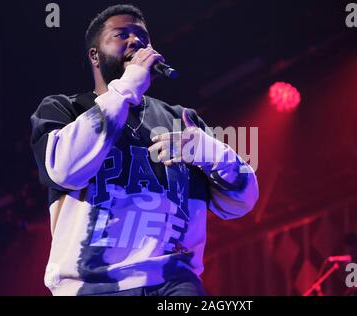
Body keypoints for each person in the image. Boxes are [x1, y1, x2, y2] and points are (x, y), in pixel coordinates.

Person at [30, 4, 259, 296]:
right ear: (95, 55)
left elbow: (242, 200)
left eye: (142, 37)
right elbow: (63, 169)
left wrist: (207, 150)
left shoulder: (180, 120)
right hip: (94, 286)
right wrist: (127, 87)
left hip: (174, 282)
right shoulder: (65, 109)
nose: (136, 42)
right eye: (121, 35)